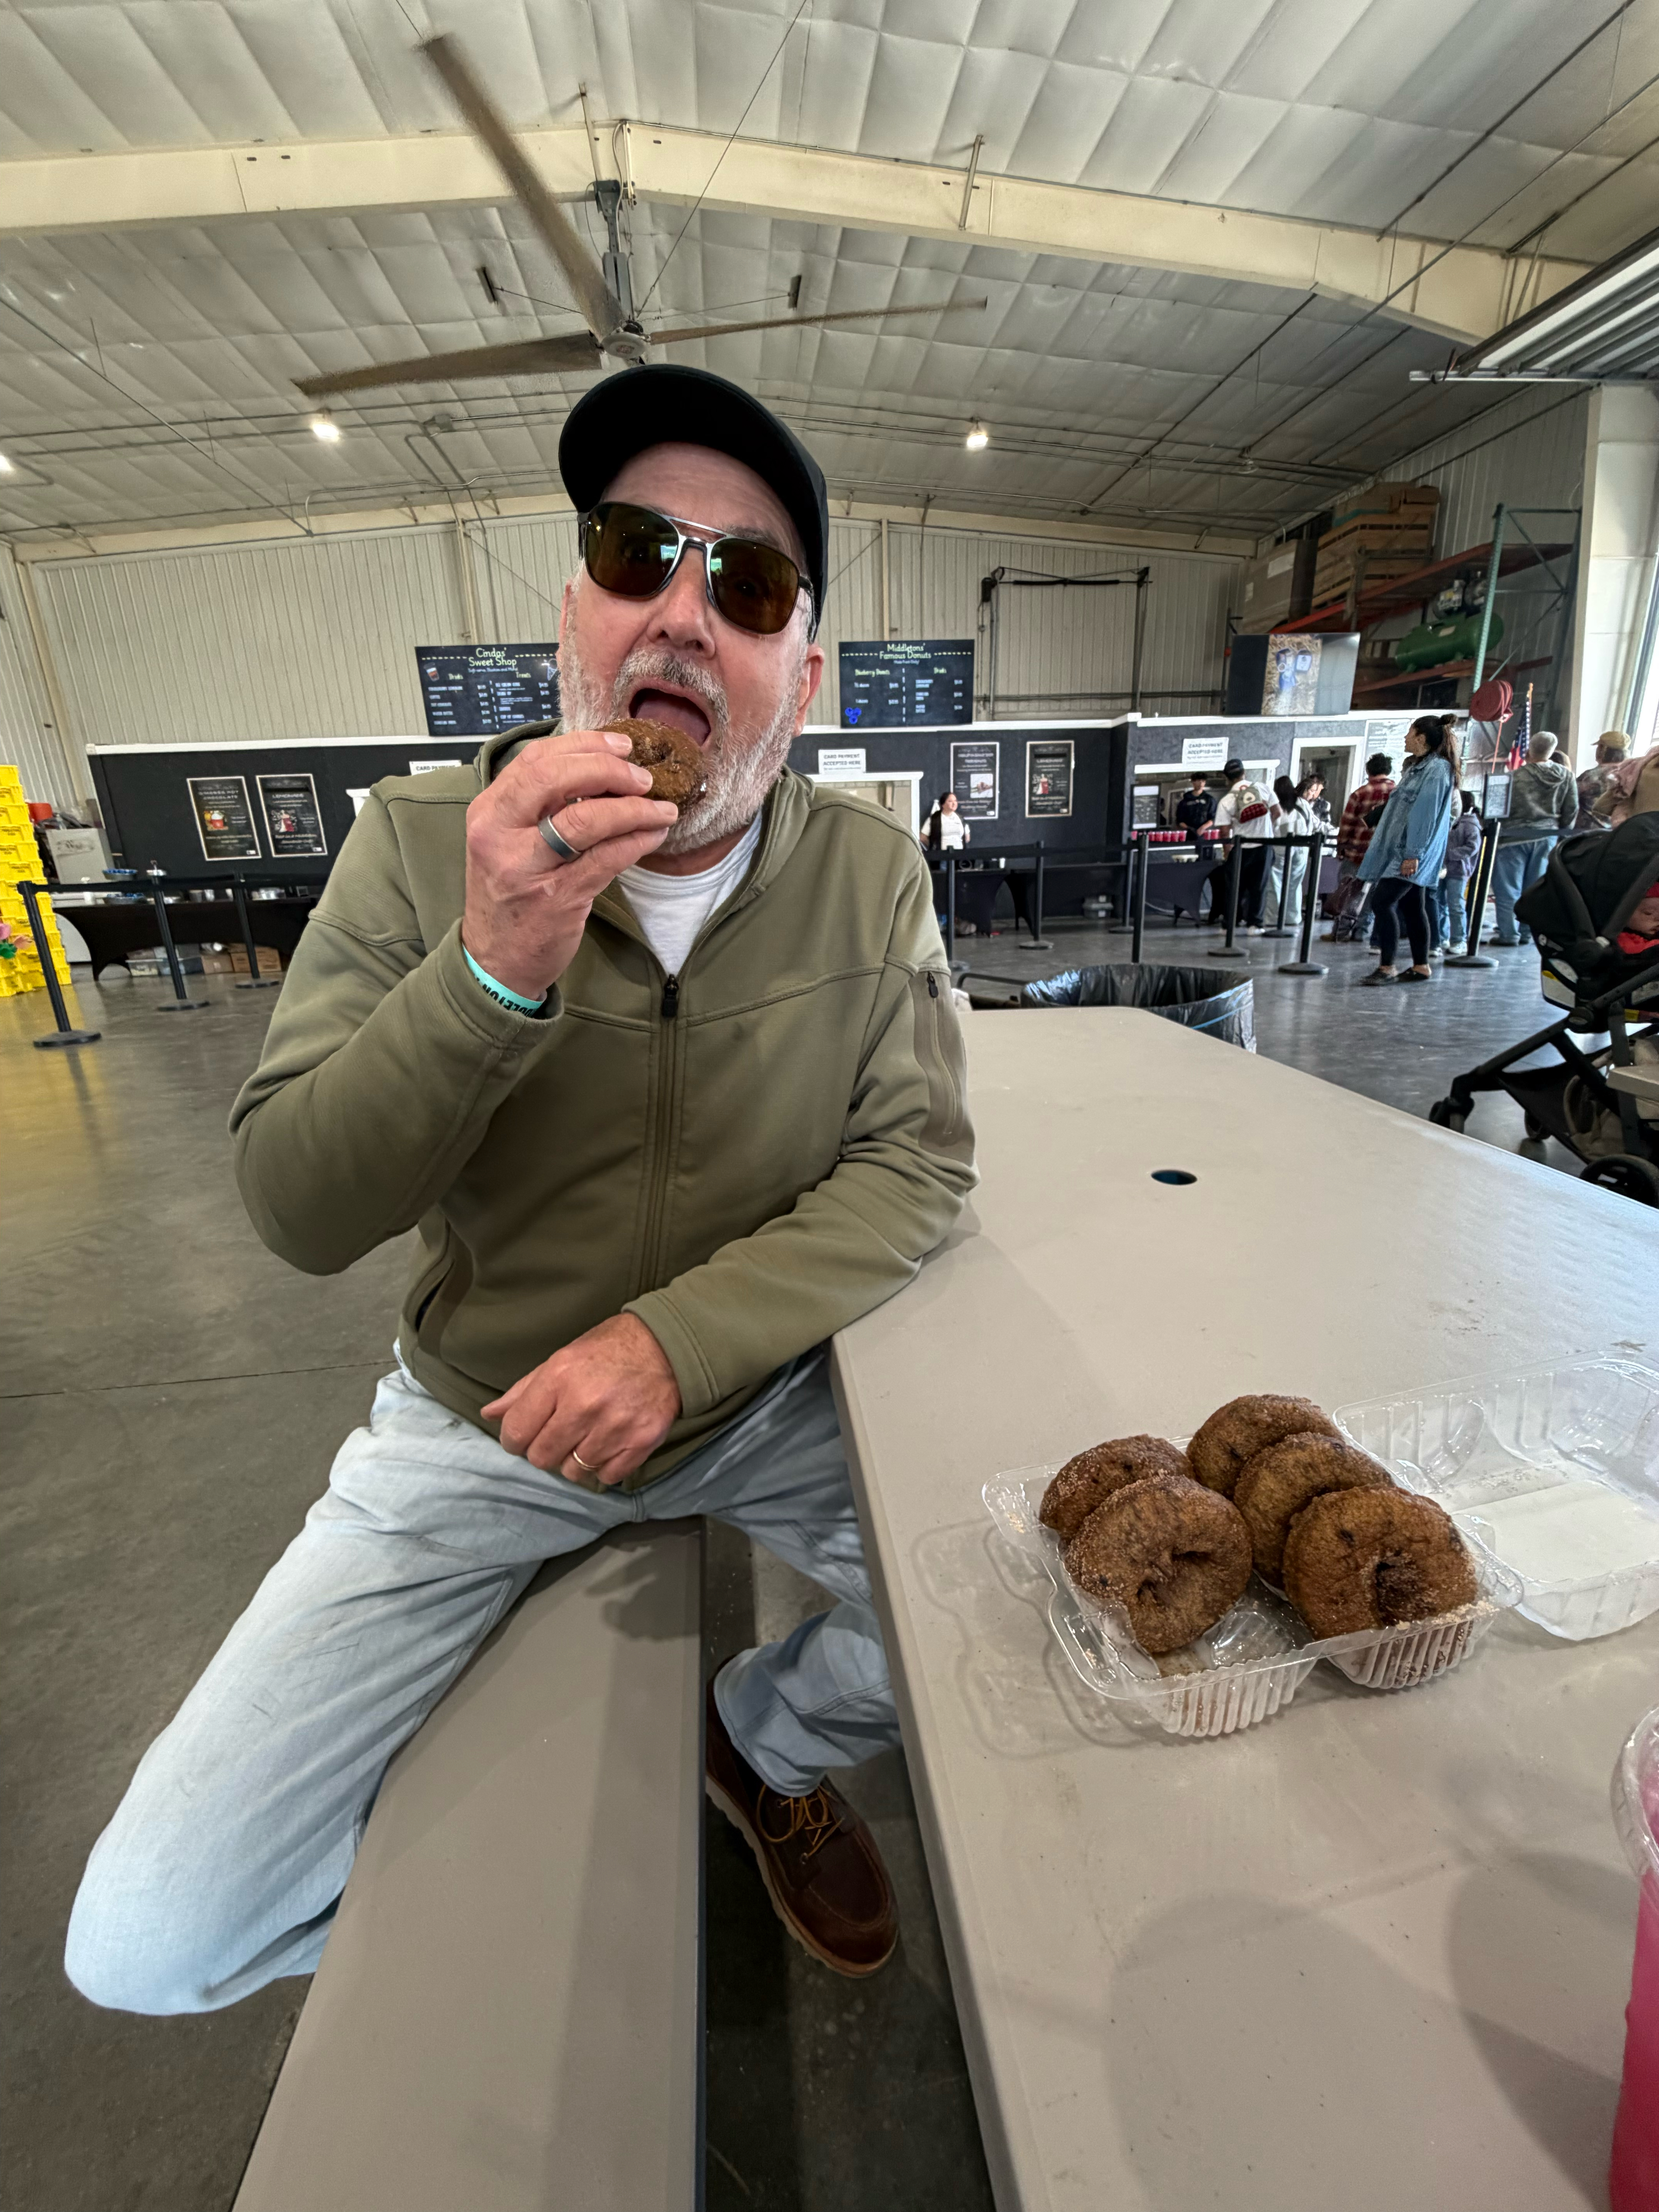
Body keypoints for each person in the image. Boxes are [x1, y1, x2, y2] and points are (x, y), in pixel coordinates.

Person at [64, 364, 977, 2014]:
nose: (686, 617)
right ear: (573, 612)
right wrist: (489, 969)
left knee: (1021, 1613)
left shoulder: (866, 872)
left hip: (771, 1399)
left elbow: (917, 1159)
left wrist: (678, 1345)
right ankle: (554, 1928)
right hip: (480, 1420)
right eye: (639, 553)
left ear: (804, 670)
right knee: (150, 1938)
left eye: (749, 583)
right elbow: (296, 1202)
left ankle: (758, 1740)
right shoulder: (423, 845)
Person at [1357, 714, 1460, 986]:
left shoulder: (1437, 770)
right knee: (1414, 905)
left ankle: (1387, 966)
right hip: (1403, 850)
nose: (1405, 738)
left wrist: (1413, 854)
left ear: (1421, 738)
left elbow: (1425, 815)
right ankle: (1421, 966)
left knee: (1382, 902)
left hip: (1410, 853)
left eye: (1409, 732)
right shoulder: (1420, 768)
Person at [1489, 730, 1576, 946]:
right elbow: (1572, 809)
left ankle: (1509, 934)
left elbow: (1498, 809)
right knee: (1535, 889)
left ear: (1528, 751)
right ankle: (1528, 933)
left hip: (1513, 838)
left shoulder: (1514, 777)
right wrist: (1561, 832)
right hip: (1547, 837)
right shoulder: (1566, 776)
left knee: (1508, 888)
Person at [1212, 757, 1278, 931]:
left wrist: (1228, 854)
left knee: (1234, 888)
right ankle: (1255, 926)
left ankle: (1230, 925)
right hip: (1264, 846)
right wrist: (1267, 829)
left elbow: (1225, 832)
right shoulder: (1262, 789)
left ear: (1227, 779)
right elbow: (1277, 812)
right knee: (1259, 888)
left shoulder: (1227, 801)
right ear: (1244, 773)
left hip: (1240, 849)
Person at [1263, 773, 1319, 934]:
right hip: (1302, 848)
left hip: (1280, 848)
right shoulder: (1303, 803)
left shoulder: (1276, 805)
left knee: (1275, 884)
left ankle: (1274, 919)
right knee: (1295, 884)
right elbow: (1311, 823)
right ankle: (1293, 918)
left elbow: (1272, 827)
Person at [1437, 789, 1482, 955]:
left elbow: (1472, 848)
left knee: (1455, 905)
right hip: (1443, 869)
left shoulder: (1470, 825)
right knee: (1439, 904)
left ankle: (1459, 940)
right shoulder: (1451, 821)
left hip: (1458, 870)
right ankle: (1442, 937)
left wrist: (1450, 855)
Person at [1576, 731, 1630, 833]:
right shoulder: (1631, 777)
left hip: (1585, 835)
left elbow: (1570, 802)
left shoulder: (1590, 777)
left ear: (1602, 750)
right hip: (1615, 835)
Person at [1175, 773, 1216, 840]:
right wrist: (1190, 829)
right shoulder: (1185, 800)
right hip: (1188, 835)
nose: (1201, 784)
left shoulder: (1210, 800)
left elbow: (1213, 818)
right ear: (1193, 782)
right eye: (1198, 781)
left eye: (1203, 781)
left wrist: (1203, 828)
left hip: (1206, 835)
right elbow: (1180, 820)